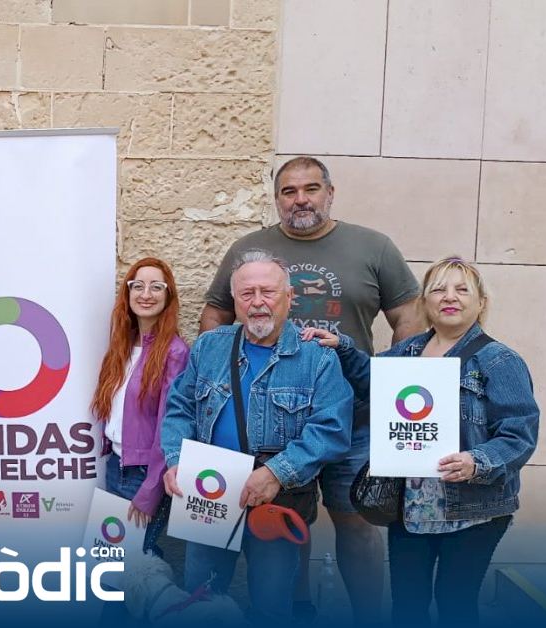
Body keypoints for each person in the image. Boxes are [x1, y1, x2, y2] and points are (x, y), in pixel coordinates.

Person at [199, 156, 425, 622]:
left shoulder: (373, 247)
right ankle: (297, 610)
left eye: (311, 188)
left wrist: (388, 385)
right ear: (276, 198)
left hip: (353, 418)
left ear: (330, 193)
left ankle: (368, 617)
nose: (300, 199)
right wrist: (220, 373)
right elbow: (216, 313)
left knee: (356, 521)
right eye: (289, 191)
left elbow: (408, 318)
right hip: (272, 423)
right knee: (287, 517)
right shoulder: (249, 247)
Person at [302, 256, 538, 626]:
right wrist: (342, 347)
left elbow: (519, 433)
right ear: (425, 301)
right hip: (411, 507)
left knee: (455, 605)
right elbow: (372, 379)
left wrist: (477, 460)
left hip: (473, 508)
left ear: (481, 303)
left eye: (462, 290)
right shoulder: (408, 351)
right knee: (407, 608)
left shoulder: (498, 360)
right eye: (438, 289)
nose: (450, 297)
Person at [161, 249, 353, 623]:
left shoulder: (317, 358)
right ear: (235, 300)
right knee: (200, 602)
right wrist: (176, 460)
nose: (258, 302)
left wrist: (276, 472)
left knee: (272, 608)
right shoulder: (210, 346)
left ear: (289, 297)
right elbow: (179, 408)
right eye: (247, 293)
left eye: (268, 291)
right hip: (209, 490)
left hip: (277, 497)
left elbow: (331, 429)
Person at [90, 258, 189, 557]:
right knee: (115, 564)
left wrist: (151, 489)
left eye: (156, 287)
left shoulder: (175, 352)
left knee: (137, 561)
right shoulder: (121, 345)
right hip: (116, 465)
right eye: (138, 286)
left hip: (145, 474)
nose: (146, 294)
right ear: (128, 292)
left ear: (168, 295)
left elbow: (169, 426)